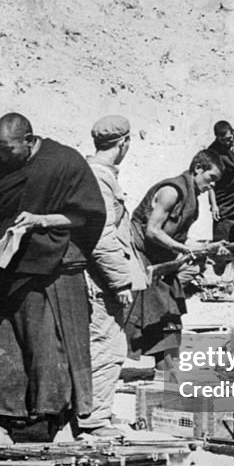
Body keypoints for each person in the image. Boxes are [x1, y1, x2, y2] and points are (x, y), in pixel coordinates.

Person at [0, 113, 106, 446]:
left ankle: (52, 422)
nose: (4, 157)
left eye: (10, 149)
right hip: (8, 267)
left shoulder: (64, 163)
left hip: (51, 265)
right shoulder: (2, 166)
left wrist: (41, 220)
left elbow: (86, 217)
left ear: (29, 139)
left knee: (48, 345)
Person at [125, 150, 223, 375]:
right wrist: (183, 249)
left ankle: (166, 368)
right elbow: (152, 230)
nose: (211, 186)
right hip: (142, 255)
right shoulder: (171, 191)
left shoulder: (192, 197)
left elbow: (176, 235)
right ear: (198, 168)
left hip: (163, 257)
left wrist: (204, 248)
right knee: (151, 310)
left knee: (171, 312)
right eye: (211, 179)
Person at [78, 115, 143, 438]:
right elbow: (101, 235)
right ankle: (93, 419)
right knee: (108, 346)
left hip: (97, 279)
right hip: (101, 282)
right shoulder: (99, 178)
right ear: (123, 144)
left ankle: (94, 412)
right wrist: (120, 280)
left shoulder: (93, 174)